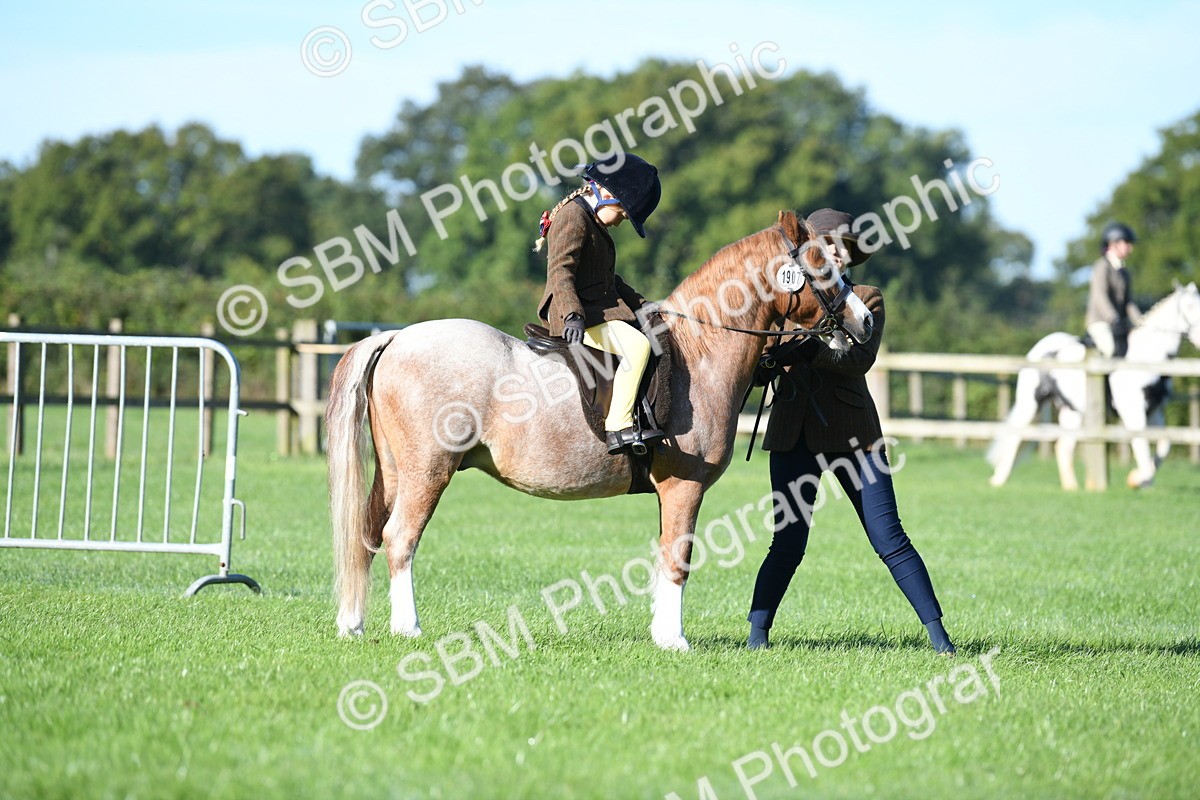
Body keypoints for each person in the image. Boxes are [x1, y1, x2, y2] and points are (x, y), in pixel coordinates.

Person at [746, 208, 955, 654]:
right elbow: (760, 369)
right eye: (827, 245)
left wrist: (809, 352)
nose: (836, 253)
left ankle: (941, 640)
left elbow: (860, 358)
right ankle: (756, 637)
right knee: (787, 543)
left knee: (889, 538)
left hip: (855, 438)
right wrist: (768, 356)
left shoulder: (866, 297)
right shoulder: (788, 298)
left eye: (842, 246)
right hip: (793, 435)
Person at [535, 152, 664, 455]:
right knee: (637, 347)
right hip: (576, 318)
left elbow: (610, 281)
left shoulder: (594, 220)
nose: (621, 220)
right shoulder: (574, 216)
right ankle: (619, 428)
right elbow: (560, 271)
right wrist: (571, 315)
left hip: (594, 312)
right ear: (606, 193)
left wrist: (646, 305)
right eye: (623, 212)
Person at [1085, 222, 1142, 358]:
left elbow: (1128, 302)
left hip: (1120, 325)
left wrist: (1140, 321)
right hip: (1100, 323)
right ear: (1113, 244)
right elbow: (1100, 296)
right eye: (1127, 243)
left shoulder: (1124, 272)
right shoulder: (1102, 267)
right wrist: (1114, 318)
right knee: (1111, 349)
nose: (1130, 248)